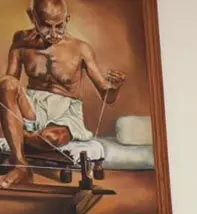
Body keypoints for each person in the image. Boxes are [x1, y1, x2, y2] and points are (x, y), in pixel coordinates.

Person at [1, 0, 126, 188]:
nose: (53, 33)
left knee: (51, 139)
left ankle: (20, 135)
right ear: (32, 18)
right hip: (33, 106)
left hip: (65, 112)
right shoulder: (21, 42)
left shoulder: (81, 48)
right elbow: (9, 88)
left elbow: (107, 96)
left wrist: (114, 88)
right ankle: (21, 165)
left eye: (59, 26)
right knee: (6, 83)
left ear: (67, 19)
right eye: (46, 26)